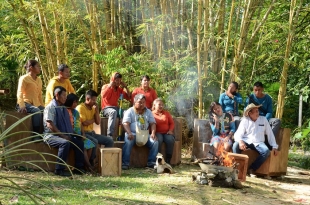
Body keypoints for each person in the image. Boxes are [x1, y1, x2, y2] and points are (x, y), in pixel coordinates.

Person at [43, 86, 85, 176]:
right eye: (64, 95)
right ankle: (59, 169)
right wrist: (63, 135)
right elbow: (50, 125)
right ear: (57, 95)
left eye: (66, 96)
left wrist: (74, 134)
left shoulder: (63, 108)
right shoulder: (50, 107)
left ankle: (78, 168)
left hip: (62, 135)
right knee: (65, 143)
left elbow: (67, 125)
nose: (66, 98)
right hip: (50, 135)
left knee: (79, 142)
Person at [233, 103, 278, 175]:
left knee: (266, 151)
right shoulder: (245, 120)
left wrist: (274, 146)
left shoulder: (263, 119)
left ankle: (252, 169)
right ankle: (236, 168)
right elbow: (238, 134)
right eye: (255, 111)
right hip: (246, 140)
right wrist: (241, 142)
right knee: (235, 145)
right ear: (249, 113)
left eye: (258, 111)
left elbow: (270, 133)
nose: (258, 113)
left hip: (258, 142)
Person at [77, 90, 114, 165]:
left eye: (95, 100)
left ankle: (105, 163)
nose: (95, 102)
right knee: (94, 141)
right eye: (93, 100)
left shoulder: (93, 108)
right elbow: (84, 123)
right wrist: (94, 119)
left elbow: (98, 122)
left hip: (92, 133)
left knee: (110, 140)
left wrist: (97, 111)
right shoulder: (80, 108)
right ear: (87, 99)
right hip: (84, 133)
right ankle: (91, 162)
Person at [122, 94, 158, 170]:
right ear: (134, 102)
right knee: (128, 141)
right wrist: (129, 133)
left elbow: (153, 123)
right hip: (133, 134)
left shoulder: (148, 111)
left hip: (144, 135)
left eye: (144, 102)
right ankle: (125, 163)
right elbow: (125, 124)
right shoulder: (130, 111)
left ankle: (151, 163)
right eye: (140, 102)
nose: (142, 104)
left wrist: (153, 133)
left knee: (155, 142)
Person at [64, 93, 95, 172]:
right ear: (69, 101)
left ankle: (85, 165)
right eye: (74, 102)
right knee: (83, 146)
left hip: (79, 134)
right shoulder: (65, 111)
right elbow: (68, 126)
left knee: (90, 145)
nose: (75, 104)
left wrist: (83, 134)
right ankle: (88, 166)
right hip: (72, 134)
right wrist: (77, 134)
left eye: (76, 102)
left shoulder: (76, 112)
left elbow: (80, 123)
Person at [16, 59, 44, 140]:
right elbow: (19, 92)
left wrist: (43, 106)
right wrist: (21, 105)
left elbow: (39, 95)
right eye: (38, 66)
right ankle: (35, 135)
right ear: (31, 68)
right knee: (36, 111)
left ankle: (46, 133)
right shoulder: (24, 78)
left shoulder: (39, 80)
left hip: (36, 103)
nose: (39, 68)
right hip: (25, 103)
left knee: (46, 111)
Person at [101, 72, 131, 138]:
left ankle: (124, 134)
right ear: (113, 80)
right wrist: (109, 86)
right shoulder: (105, 86)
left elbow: (129, 97)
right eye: (117, 80)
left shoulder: (119, 89)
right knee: (113, 112)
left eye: (120, 80)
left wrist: (126, 87)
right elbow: (103, 95)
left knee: (126, 112)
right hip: (106, 108)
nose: (118, 82)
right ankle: (110, 135)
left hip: (116, 108)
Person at [152, 98, 175, 164]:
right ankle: (158, 160)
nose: (161, 106)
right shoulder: (151, 114)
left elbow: (172, 123)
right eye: (159, 104)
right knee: (159, 140)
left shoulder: (166, 113)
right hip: (157, 132)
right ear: (154, 105)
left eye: (162, 105)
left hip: (166, 132)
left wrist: (170, 130)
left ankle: (168, 159)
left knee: (170, 139)